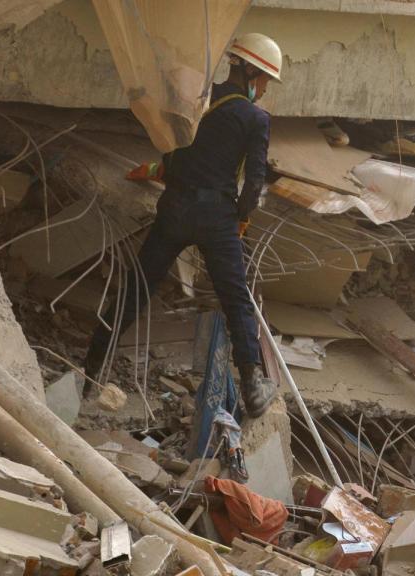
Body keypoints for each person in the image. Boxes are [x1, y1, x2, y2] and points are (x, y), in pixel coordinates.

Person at [83, 33, 283, 419]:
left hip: (174, 208)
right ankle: (253, 385)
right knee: (235, 297)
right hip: (218, 217)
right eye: (265, 81)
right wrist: (241, 219)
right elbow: (254, 182)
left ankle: (91, 366)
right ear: (251, 72)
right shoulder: (255, 119)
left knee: (137, 287)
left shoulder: (196, 101)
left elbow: (170, 149)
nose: (264, 89)